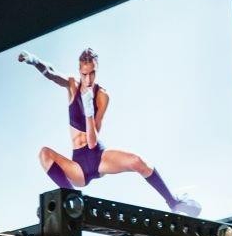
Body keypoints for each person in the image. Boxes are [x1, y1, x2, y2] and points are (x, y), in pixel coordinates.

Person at [18, 47, 198, 215]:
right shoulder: (73, 85)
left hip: (99, 156)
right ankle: (73, 201)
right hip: (78, 166)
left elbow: (92, 142)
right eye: (84, 74)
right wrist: (34, 60)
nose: (88, 79)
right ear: (79, 71)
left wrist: (89, 110)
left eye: (92, 73)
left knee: (138, 161)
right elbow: (51, 72)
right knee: (44, 154)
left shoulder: (102, 95)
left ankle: (173, 202)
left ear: (97, 70)